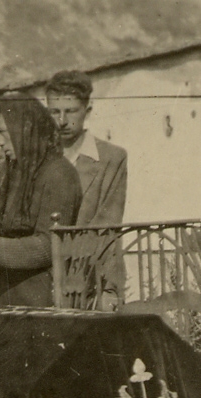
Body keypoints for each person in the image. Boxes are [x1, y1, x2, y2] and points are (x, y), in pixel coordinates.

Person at [0, 92, 81, 307]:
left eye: (3, 132)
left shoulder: (59, 174)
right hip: (7, 292)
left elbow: (48, 246)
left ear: (25, 130)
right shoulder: (12, 171)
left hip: (44, 298)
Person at [46, 70, 128, 309]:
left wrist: (110, 288)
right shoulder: (39, 157)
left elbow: (109, 226)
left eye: (71, 111)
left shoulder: (111, 159)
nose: (61, 121)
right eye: (54, 112)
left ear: (87, 111)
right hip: (41, 281)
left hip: (87, 281)